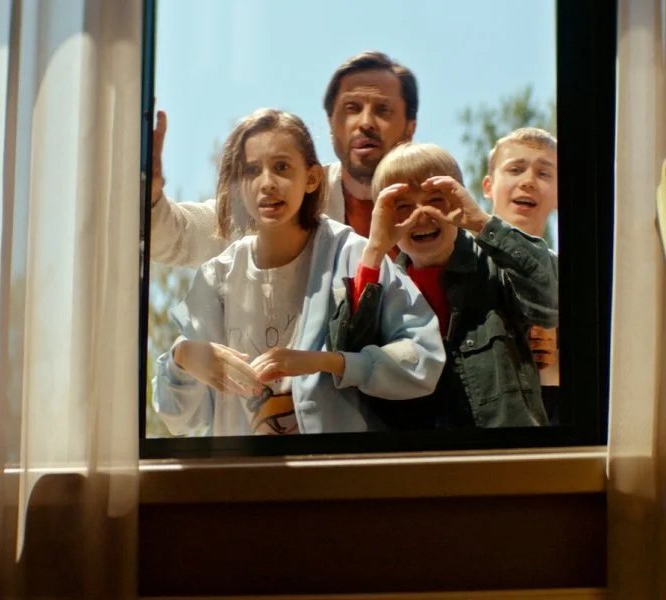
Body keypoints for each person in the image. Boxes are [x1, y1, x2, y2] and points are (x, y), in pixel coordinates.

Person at [151, 110, 445, 436]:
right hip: (238, 467)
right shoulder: (217, 277)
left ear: (312, 178)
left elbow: (424, 358)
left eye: (281, 167)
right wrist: (183, 357)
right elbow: (179, 417)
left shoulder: (352, 256)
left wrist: (328, 362)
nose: (267, 183)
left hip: (335, 466)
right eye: (251, 171)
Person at [330, 142, 558, 428]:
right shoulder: (381, 284)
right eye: (402, 206)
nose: (422, 214)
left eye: (436, 200)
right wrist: (374, 250)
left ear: (459, 199)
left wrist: (481, 223)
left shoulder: (495, 269)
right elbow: (349, 362)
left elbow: (550, 302)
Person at [148, 51, 418, 267]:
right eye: (352, 108)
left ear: (409, 128)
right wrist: (151, 195)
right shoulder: (289, 197)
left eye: (383, 110)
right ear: (331, 123)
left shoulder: (433, 204)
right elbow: (178, 237)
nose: (366, 122)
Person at [482, 127, 560, 422]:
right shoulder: (459, 261)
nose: (528, 181)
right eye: (515, 169)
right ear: (488, 186)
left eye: (544, 173)